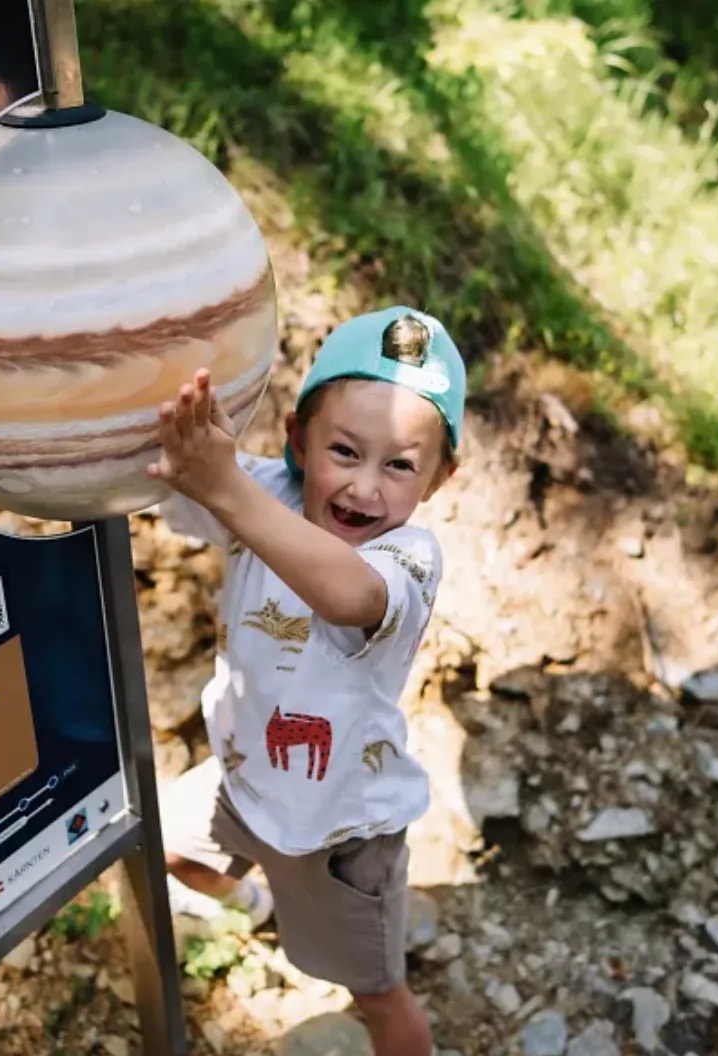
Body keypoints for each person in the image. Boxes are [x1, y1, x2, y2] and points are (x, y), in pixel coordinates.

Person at [147, 305, 466, 1056]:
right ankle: (258, 905)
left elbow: (348, 595)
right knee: (159, 841)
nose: (366, 487)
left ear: (441, 477)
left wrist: (225, 489)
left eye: (400, 465)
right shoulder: (264, 492)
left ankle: (317, 928)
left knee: (379, 997)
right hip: (243, 781)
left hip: (340, 830)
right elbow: (166, 473)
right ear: (297, 439)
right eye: (345, 451)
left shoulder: (410, 558)